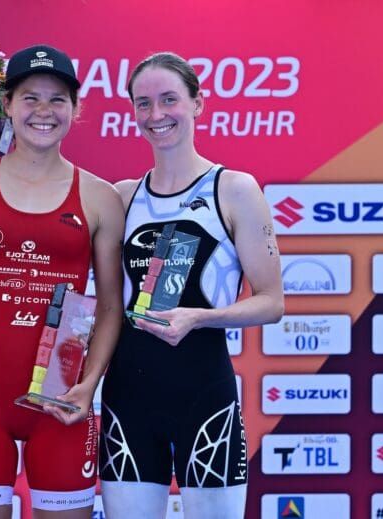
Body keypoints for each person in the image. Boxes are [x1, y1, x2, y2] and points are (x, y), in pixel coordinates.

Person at [0, 44, 124, 518]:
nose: (44, 111)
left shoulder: (100, 197)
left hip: (63, 398)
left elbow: (109, 307)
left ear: (76, 109)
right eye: (30, 98)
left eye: (58, 99)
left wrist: (89, 384)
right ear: (7, 106)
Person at [99, 52, 284, 519]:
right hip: (128, 400)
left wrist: (201, 317)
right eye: (143, 104)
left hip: (205, 396)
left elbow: (272, 302)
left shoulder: (235, 189)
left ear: (198, 104)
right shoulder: (122, 196)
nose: (156, 115)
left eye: (169, 100)